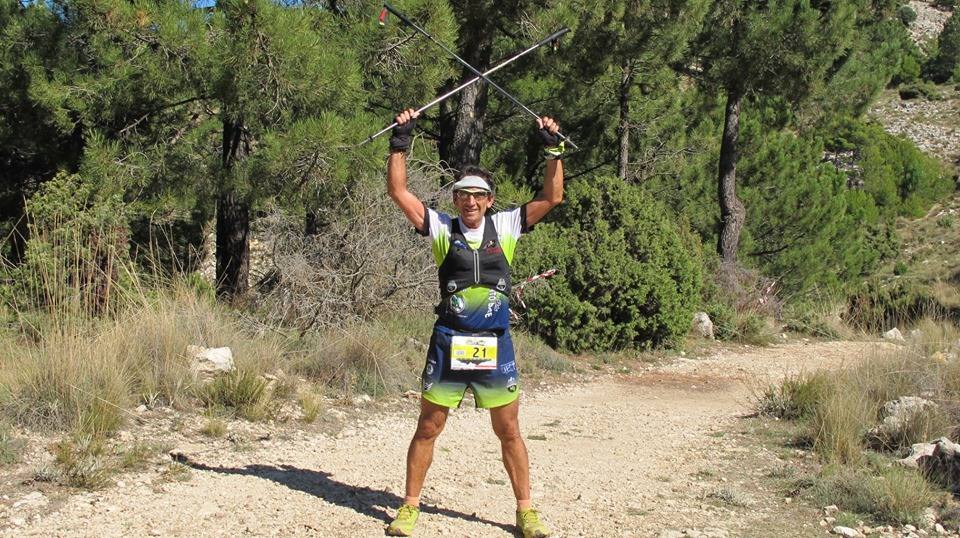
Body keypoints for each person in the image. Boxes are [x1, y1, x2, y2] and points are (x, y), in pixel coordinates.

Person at [384, 108, 565, 538]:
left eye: (478, 194)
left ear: (488, 200)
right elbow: (398, 191)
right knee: (428, 426)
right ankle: (410, 507)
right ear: (455, 199)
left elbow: (552, 198)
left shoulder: (505, 226)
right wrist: (400, 141)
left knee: (509, 430)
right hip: (450, 342)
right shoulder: (441, 229)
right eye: (463, 193)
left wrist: (554, 150)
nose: (470, 200)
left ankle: (525, 512)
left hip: (494, 345)